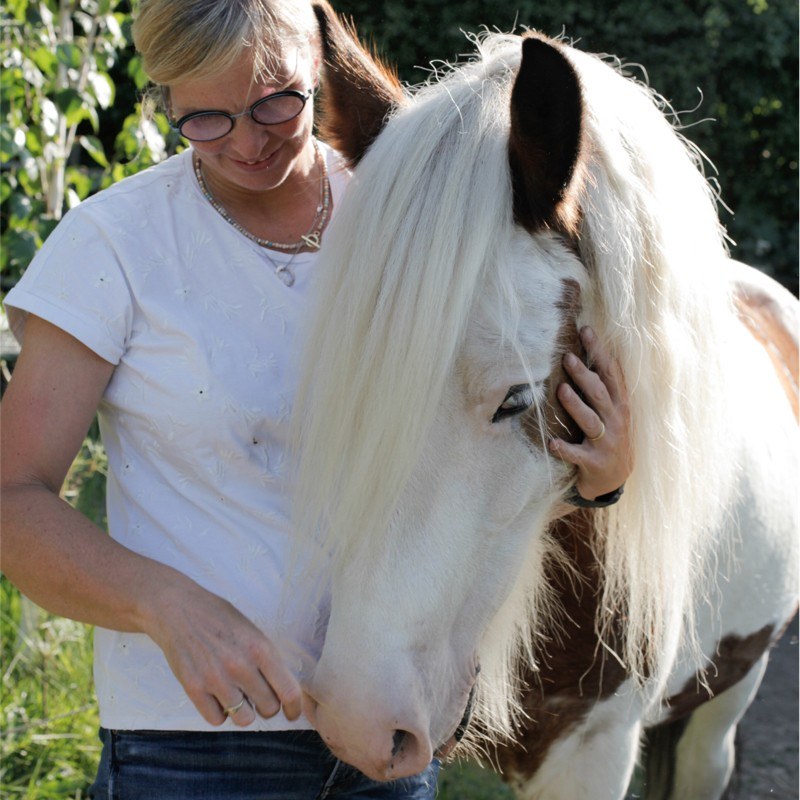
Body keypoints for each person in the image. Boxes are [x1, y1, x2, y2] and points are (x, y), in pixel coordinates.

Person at [0, 1, 633, 797]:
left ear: (321, 71)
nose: (245, 140)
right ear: (163, 99)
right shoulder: (114, 245)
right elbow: (11, 499)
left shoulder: (419, 215)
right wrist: (164, 604)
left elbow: (484, 432)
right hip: (193, 746)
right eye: (203, 117)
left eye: (276, 102)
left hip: (386, 725)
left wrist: (600, 476)